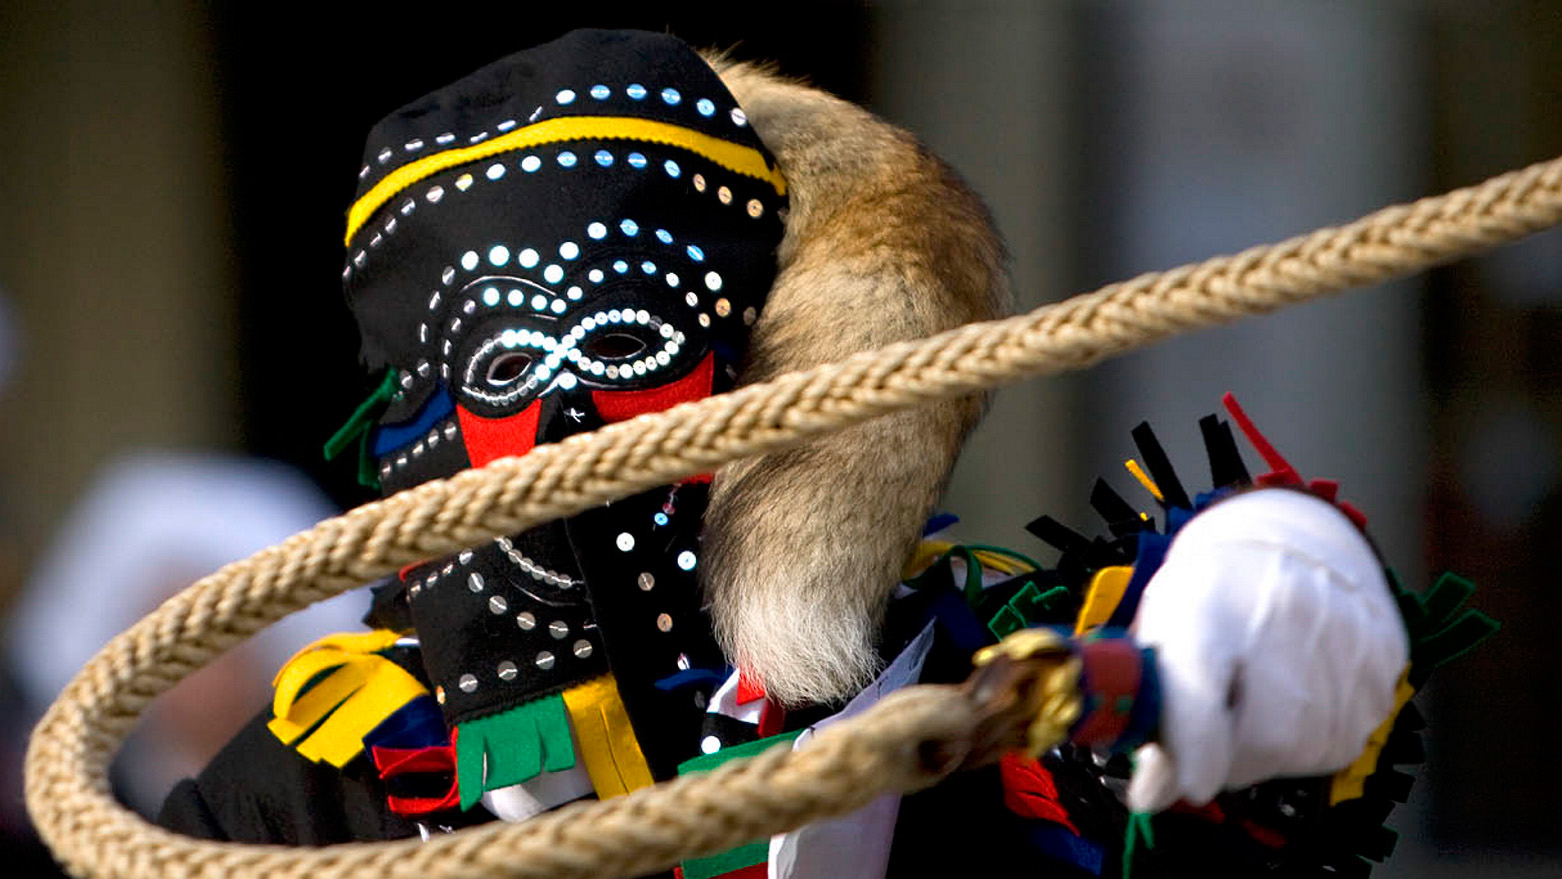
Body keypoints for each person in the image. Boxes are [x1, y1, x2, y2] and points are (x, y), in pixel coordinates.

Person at [157, 29, 1493, 878]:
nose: (560, 429)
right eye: (498, 378)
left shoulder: (982, 706)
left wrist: (1280, 571)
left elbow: (1274, 742)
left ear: (755, 364)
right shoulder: (308, 795)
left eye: (622, 349)